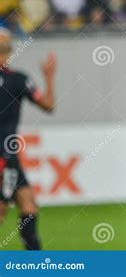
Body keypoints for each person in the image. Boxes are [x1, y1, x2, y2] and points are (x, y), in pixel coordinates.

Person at [0, 28, 56, 250]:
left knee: (29, 206)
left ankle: (35, 263)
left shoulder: (19, 80)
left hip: (9, 154)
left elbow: (48, 106)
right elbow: (49, 105)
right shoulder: (19, 80)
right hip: (5, 154)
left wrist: (49, 77)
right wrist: (49, 77)